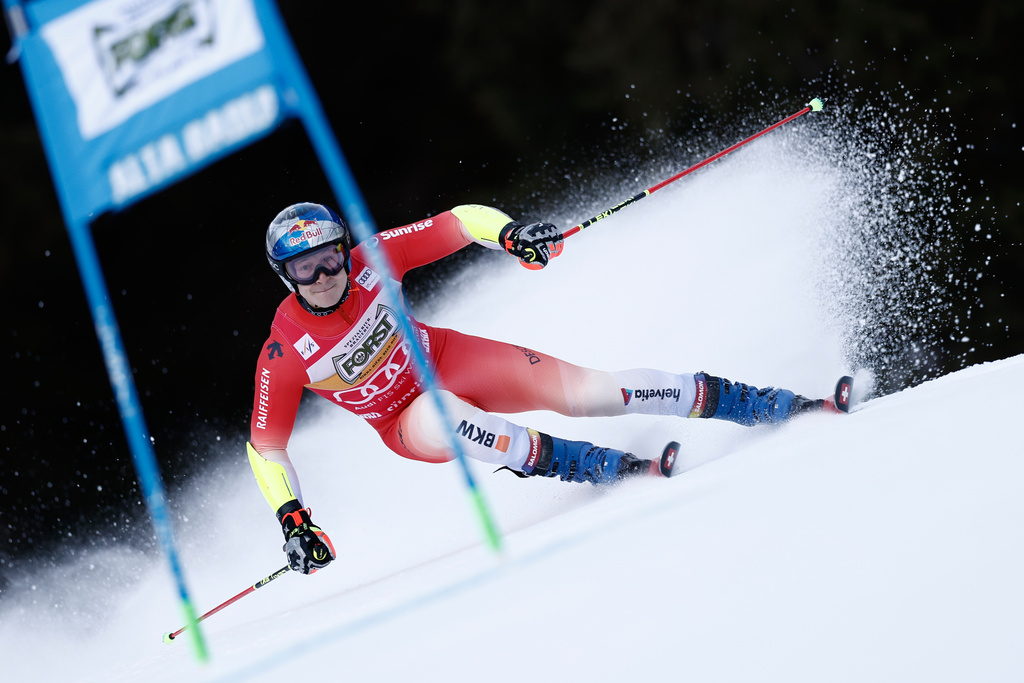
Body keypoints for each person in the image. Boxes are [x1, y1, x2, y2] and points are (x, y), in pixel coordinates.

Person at [247, 202, 843, 575]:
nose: (323, 276)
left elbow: (459, 221)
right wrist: (294, 520)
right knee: (442, 415)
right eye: (304, 268)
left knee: (595, 392)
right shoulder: (284, 349)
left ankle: (759, 403)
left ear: (343, 250)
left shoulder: (373, 259)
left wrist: (510, 235)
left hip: (452, 359)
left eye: (329, 258)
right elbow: (265, 446)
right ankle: (587, 464)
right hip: (405, 422)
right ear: (286, 276)